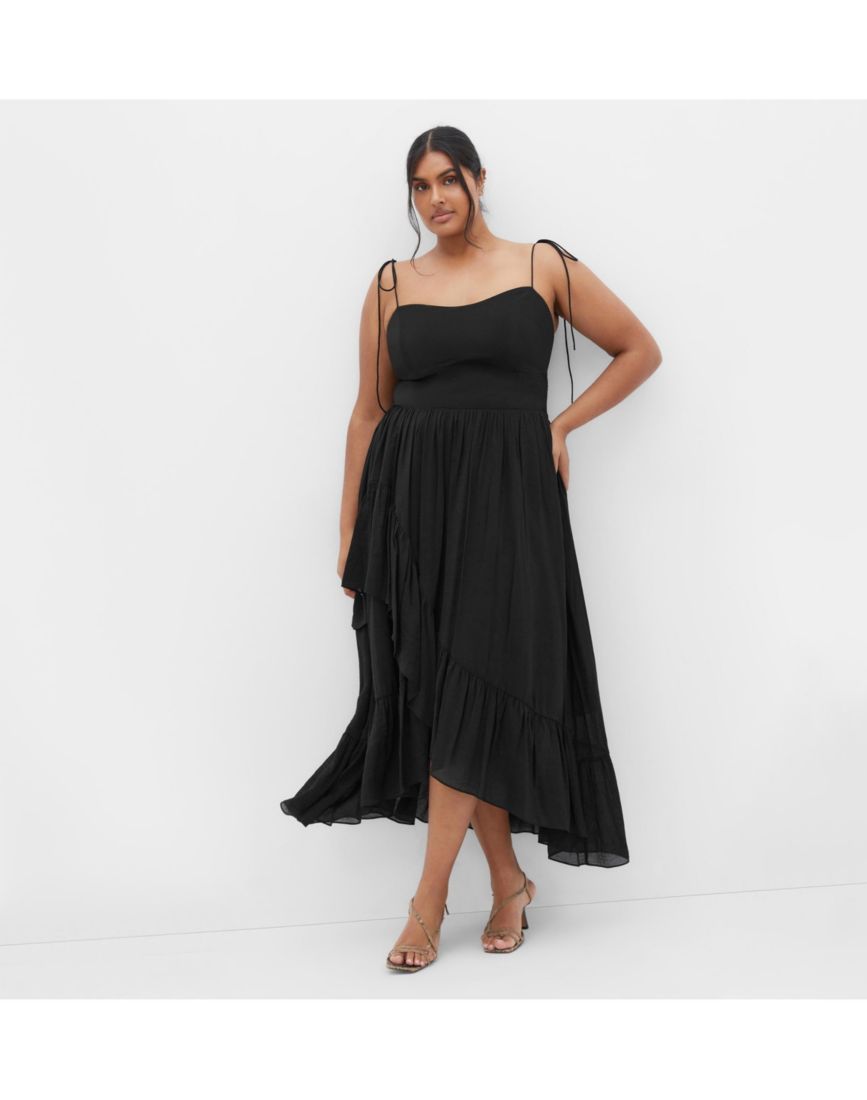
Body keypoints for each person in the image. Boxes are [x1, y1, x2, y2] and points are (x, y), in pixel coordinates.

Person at [280, 125, 663, 973]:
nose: (436, 199)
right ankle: (509, 882)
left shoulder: (541, 266)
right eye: (420, 187)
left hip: (509, 505)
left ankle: (427, 904)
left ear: (480, 180)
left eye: (448, 179)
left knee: (477, 685)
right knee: (452, 694)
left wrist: (561, 425)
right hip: (412, 508)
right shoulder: (391, 284)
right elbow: (368, 413)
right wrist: (349, 532)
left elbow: (640, 350)